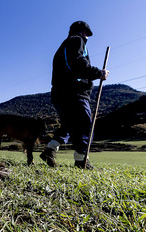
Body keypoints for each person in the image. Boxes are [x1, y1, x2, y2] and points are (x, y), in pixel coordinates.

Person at [40, 21, 109, 169]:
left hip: (61, 93)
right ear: (81, 32)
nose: (87, 37)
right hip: (73, 92)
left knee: (68, 125)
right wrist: (99, 73)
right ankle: (81, 161)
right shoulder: (76, 41)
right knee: (84, 125)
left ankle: (50, 150)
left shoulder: (65, 45)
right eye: (86, 33)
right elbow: (78, 64)